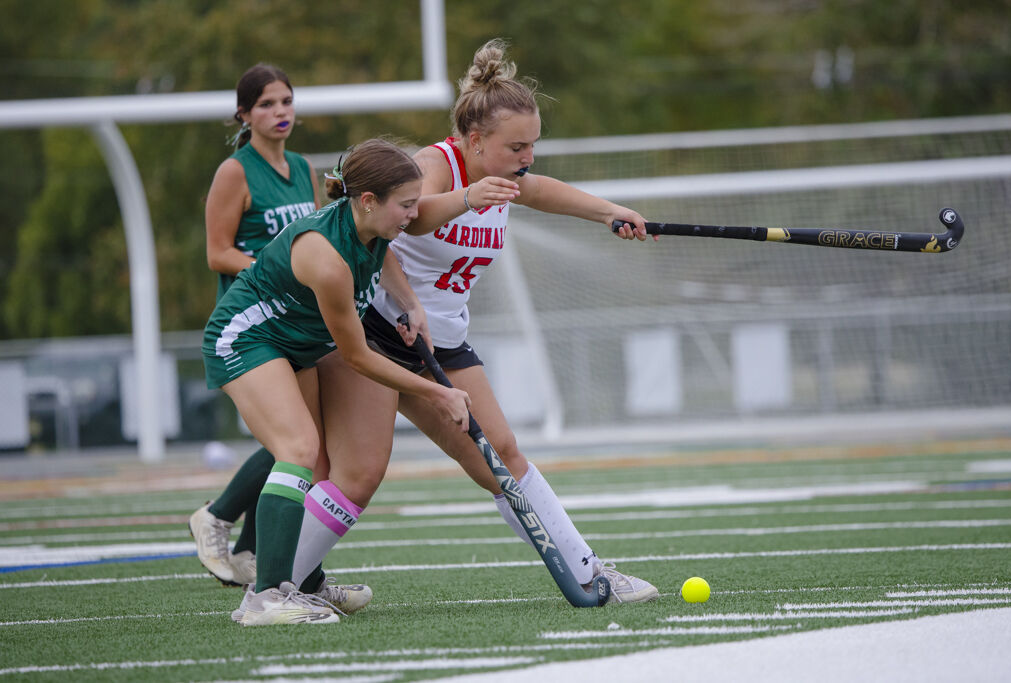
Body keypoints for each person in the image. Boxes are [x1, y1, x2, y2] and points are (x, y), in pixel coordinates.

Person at [303, 39, 659, 605]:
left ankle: (590, 572)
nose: (528, 157)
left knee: (505, 454)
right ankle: (281, 584)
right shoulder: (430, 165)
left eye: (533, 144)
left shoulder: (506, 178)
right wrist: (469, 195)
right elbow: (408, 222)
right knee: (359, 475)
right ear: (474, 141)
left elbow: (542, 191)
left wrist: (611, 212)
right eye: (516, 145)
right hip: (375, 330)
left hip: (443, 342)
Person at [201, 137, 471, 625]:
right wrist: (437, 391)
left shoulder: (373, 227)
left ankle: (304, 584)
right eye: (406, 205)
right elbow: (357, 357)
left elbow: (384, 253)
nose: (413, 216)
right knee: (299, 449)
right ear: (368, 201)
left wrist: (410, 303)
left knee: (318, 458)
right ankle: (264, 599)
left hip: (295, 344)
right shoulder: (325, 258)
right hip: (246, 340)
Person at [189, 64, 321, 590]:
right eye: (266, 104)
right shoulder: (234, 171)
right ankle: (217, 516)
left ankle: (247, 549)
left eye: (286, 100)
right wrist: (279, 268)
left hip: (298, 322)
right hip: (253, 323)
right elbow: (217, 252)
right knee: (295, 442)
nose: (280, 111)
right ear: (244, 114)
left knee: (307, 441)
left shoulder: (304, 167)